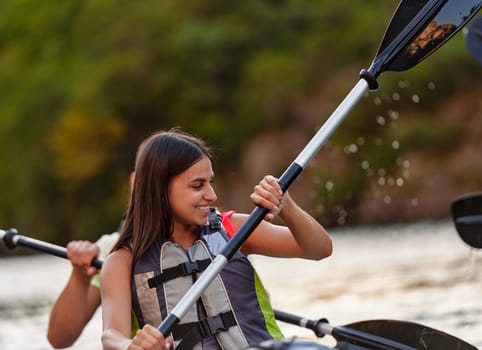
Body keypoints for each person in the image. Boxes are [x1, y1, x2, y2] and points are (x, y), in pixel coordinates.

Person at [100, 128, 333, 350]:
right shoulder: (122, 261)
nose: (212, 195)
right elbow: (111, 336)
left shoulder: (234, 230)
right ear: (160, 189)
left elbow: (319, 249)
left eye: (210, 182)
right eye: (197, 185)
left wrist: (287, 207)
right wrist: (130, 345)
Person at [47, 173, 135, 348]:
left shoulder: (204, 244)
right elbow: (58, 339)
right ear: (134, 181)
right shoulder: (110, 249)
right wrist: (80, 276)